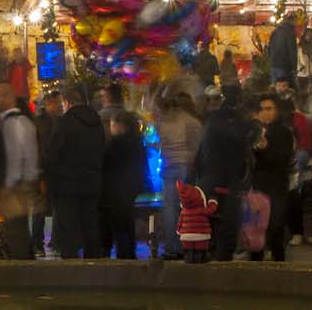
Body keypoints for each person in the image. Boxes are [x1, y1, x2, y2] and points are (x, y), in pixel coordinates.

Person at [193, 87, 255, 261]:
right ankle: (222, 259)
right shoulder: (228, 122)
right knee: (225, 225)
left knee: (213, 224)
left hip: (210, 179)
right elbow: (242, 142)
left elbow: (199, 156)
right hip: (224, 180)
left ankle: (214, 256)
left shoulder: (211, 122)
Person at [45, 85, 106, 258]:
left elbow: (53, 153)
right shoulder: (96, 122)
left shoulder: (65, 122)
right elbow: (102, 148)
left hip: (67, 185)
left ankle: (71, 265)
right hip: (92, 181)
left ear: (67, 102)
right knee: (90, 224)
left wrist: (51, 178)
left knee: (68, 226)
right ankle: (92, 261)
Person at [0, 83, 39, 259]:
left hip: (14, 186)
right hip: (23, 184)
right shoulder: (24, 120)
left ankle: (22, 270)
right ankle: (27, 265)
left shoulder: (11, 123)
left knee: (16, 232)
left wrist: (8, 186)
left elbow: (15, 156)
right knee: (20, 229)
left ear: (8, 97)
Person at [153, 90, 203, 258]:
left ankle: (170, 247)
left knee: (169, 208)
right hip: (185, 167)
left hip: (168, 165)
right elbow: (197, 147)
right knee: (187, 208)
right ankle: (185, 245)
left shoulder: (162, 121)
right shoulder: (192, 121)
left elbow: (157, 141)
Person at [248, 93, 295, 261]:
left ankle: (278, 265)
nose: (265, 113)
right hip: (257, 186)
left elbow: (282, 159)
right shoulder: (255, 131)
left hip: (276, 186)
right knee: (255, 230)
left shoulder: (283, 132)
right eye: (261, 109)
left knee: (275, 227)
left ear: (277, 111)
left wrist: (266, 148)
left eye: (269, 109)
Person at [101, 112, 147, 258]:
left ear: (121, 126)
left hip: (115, 190)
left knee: (118, 224)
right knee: (127, 221)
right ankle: (129, 252)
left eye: (113, 124)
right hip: (131, 188)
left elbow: (106, 165)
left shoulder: (114, 144)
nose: (111, 128)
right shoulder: (137, 142)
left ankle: (124, 253)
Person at [32, 90, 63, 254]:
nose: (59, 105)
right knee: (41, 209)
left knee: (54, 208)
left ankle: (54, 241)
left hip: (56, 172)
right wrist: (41, 174)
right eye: (56, 103)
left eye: (60, 102)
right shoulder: (40, 123)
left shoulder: (59, 121)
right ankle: (38, 243)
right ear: (48, 103)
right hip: (44, 171)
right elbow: (38, 149)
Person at [175, 181, 217, 264]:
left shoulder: (184, 211)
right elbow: (210, 210)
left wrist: (178, 230)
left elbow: (180, 222)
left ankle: (189, 259)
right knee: (200, 250)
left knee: (188, 250)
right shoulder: (201, 209)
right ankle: (200, 259)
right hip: (201, 234)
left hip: (186, 236)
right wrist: (213, 201)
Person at [267, 11, 301, 89]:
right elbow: (292, 51)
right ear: (293, 20)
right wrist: (294, 68)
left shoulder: (275, 31)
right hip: (284, 66)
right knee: (284, 90)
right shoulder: (290, 32)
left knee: (275, 90)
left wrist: (271, 60)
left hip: (273, 65)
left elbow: (269, 48)